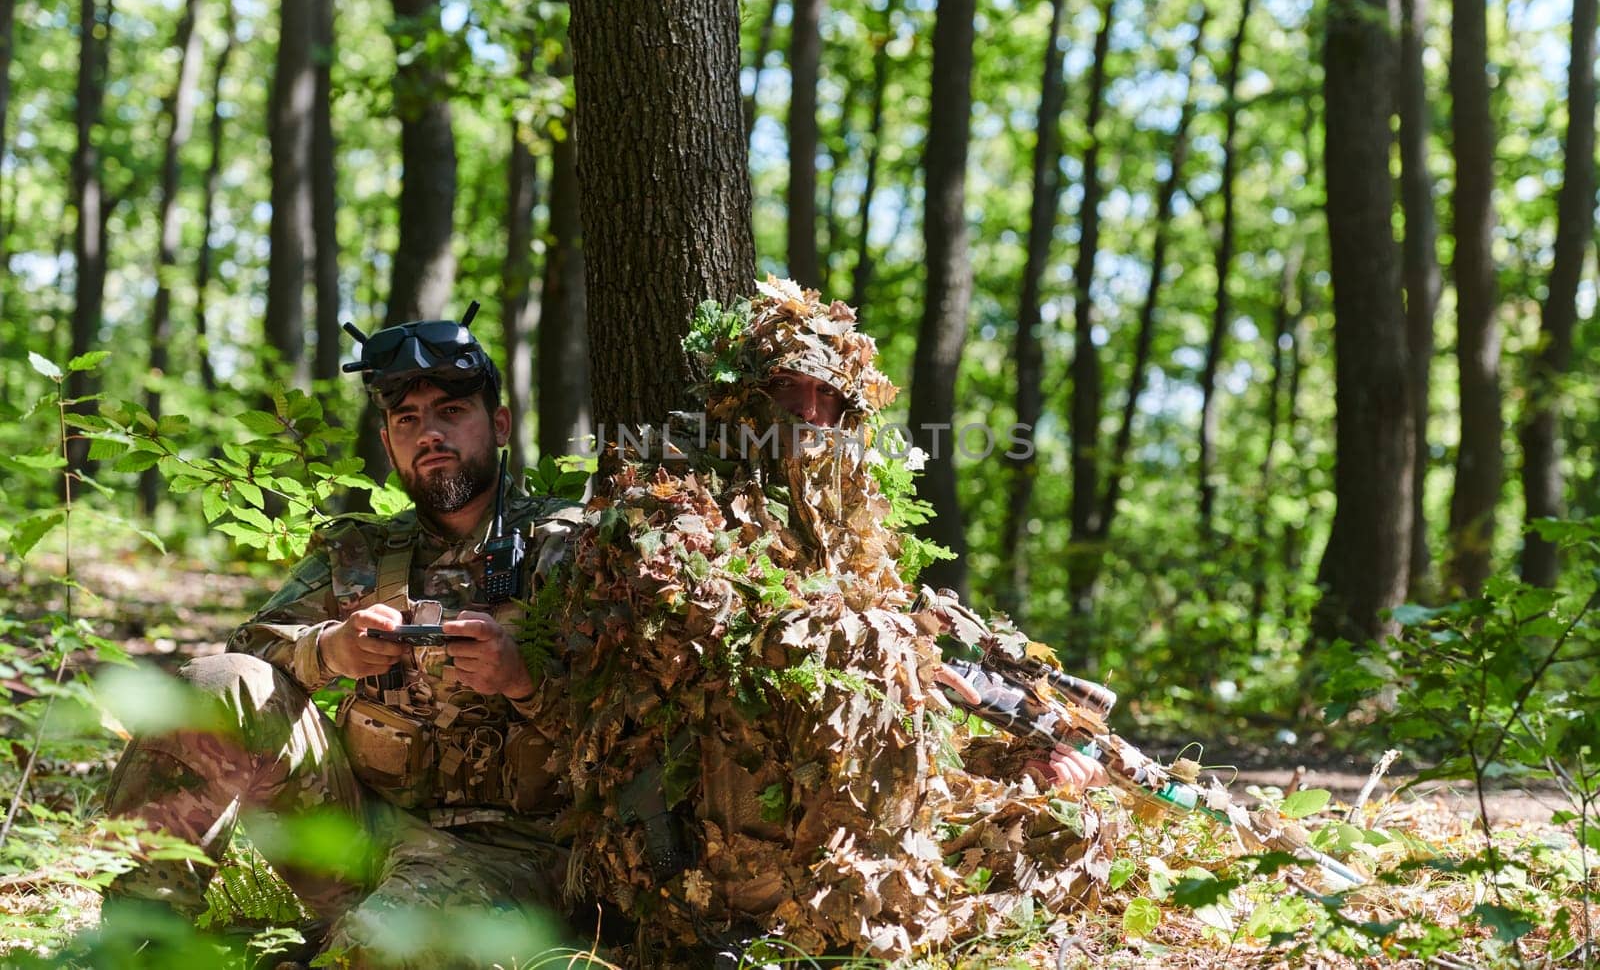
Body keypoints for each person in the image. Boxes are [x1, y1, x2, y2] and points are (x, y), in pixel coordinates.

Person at [550, 278, 1111, 961]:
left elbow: (892, 706)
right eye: (790, 388)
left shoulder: (844, 526)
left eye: (833, 398)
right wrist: (896, 645)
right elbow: (717, 631)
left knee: (1068, 820)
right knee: (875, 648)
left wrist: (1023, 748)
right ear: (741, 396)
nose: (812, 413)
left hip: (832, 819)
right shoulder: (666, 488)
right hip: (698, 832)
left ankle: (898, 911)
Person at [102, 305, 580, 968]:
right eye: (407, 420)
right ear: (387, 443)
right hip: (360, 832)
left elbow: (643, 728)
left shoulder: (572, 547)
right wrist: (329, 650)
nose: (429, 434)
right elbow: (244, 651)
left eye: (451, 411)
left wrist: (521, 679)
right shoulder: (360, 550)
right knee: (218, 684)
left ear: (498, 424)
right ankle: (135, 942)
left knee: (389, 944)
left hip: (512, 858)